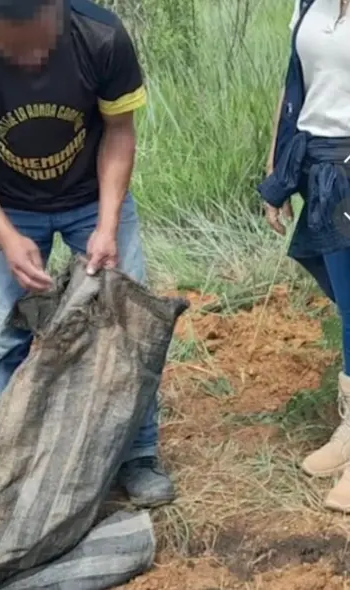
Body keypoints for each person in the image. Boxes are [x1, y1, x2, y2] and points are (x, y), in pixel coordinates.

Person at [0, 0, 176, 507]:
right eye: (17, 48)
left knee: (126, 324)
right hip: (6, 205)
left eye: (43, 40)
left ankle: (137, 454)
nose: (35, 58)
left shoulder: (99, 36)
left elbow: (119, 130)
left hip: (93, 196)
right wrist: (6, 236)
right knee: (1, 339)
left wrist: (107, 225)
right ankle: (10, 467)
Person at [260, 0, 350, 513]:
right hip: (323, 168)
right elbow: (294, 84)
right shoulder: (309, 3)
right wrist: (278, 171)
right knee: (349, 308)